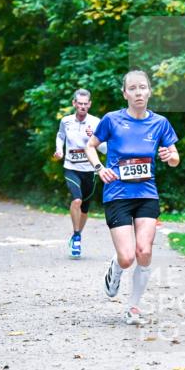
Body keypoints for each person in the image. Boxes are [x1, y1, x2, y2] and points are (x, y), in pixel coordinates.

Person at [85, 70, 179, 325]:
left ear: (149, 91)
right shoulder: (112, 120)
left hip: (147, 194)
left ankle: (133, 307)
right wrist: (99, 169)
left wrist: (169, 157)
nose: (138, 92)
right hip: (117, 194)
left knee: (144, 251)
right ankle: (115, 270)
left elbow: (174, 157)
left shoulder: (160, 123)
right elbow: (90, 146)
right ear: (125, 93)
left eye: (143, 88)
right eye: (133, 88)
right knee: (127, 257)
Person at [54, 88, 106, 258]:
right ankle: (76, 237)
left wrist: (95, 140)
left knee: (84, 209)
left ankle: (77, 235)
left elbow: (105, 148)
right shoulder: (66, 121)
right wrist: (59, 150)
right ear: (74, 103)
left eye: (86, 104)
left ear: (89, 104)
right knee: (76, 200)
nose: (82, 107)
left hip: (90, 170)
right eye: (79, 104)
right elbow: (60, 136)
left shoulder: (96, 122)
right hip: (71, 167)